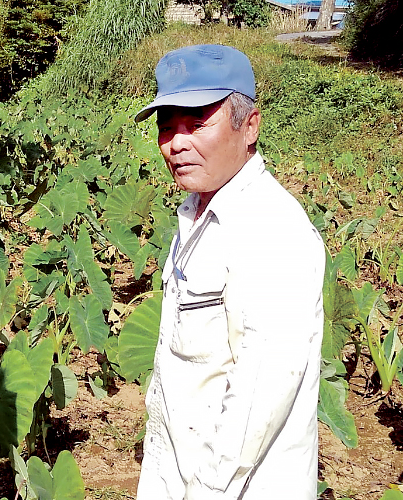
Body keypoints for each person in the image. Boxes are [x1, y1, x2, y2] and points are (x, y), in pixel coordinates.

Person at [134, 45, 324, 499]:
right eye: (167, 127)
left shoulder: (272, 229)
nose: (177, 143)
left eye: (197, 123)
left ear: (250, 125)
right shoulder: (197, 213)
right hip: (176, 474)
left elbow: (260, 393)